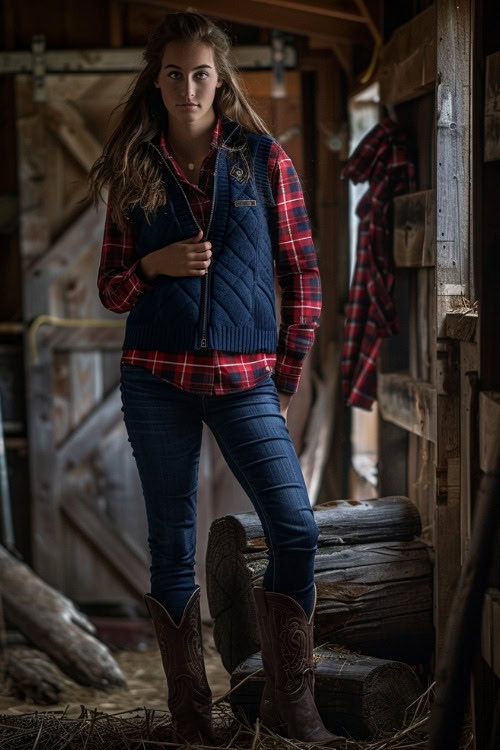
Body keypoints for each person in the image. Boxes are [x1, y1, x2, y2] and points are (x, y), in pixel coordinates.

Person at [89, 10, 343, 747]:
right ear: (157, 79)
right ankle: (192, 724)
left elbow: (303, 278)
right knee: (170, 548)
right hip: (156, 380)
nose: (188, 86)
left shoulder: (264, 161)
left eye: (202, 72)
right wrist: (150, 267)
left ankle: (289, 708)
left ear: (219, 79)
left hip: (244, 380)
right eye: (174, 73)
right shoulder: (134, 167)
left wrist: (285, 379)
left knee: (295, 529)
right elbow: (110, 289)